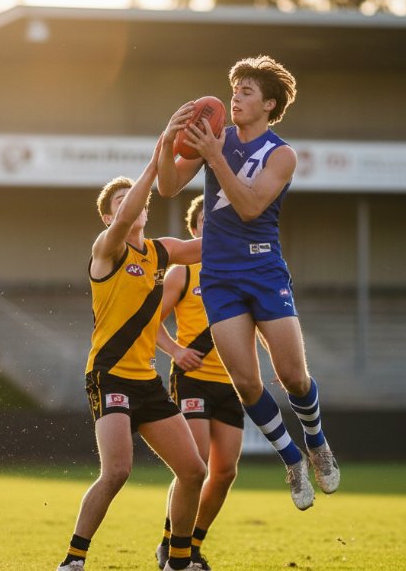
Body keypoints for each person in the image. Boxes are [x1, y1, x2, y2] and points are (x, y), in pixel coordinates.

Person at [156, 56, 340, 511]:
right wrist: (166, 140)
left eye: (246, 91)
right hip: (219, 276)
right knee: (247, 383)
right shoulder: (213, 139)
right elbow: (167, 187)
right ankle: (293, 460)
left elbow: (251, 207)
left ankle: (317, 443)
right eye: (234, 88)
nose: (234, 96)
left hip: (262, 269)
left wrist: (215, 156)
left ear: (268, 104)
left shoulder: (282, 154)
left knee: (293, 376)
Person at [56, 137, 208, 571]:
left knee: (194, 471)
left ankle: (177, 561)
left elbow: (205, 247)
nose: (133, 206)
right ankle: (73, 560)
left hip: (146, 381)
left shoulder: (161, 251)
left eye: (136, 200)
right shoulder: (107, 249)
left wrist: (247, 211)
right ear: (109, 217)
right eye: (122, 203)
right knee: (118, 470)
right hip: (109, 376)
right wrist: (155, 163)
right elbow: (126, 214)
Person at [154, 195, 243, 571]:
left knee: (225, 473)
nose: (215, 226)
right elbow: (150, 321)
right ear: (195, 230)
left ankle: (193, 544)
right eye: (207, 221)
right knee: (196, 464)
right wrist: (175, 351)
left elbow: (252, 324)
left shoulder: (244, 269)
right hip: (192, 379)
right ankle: (170, 544)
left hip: (232, 383)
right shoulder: (182, 273)